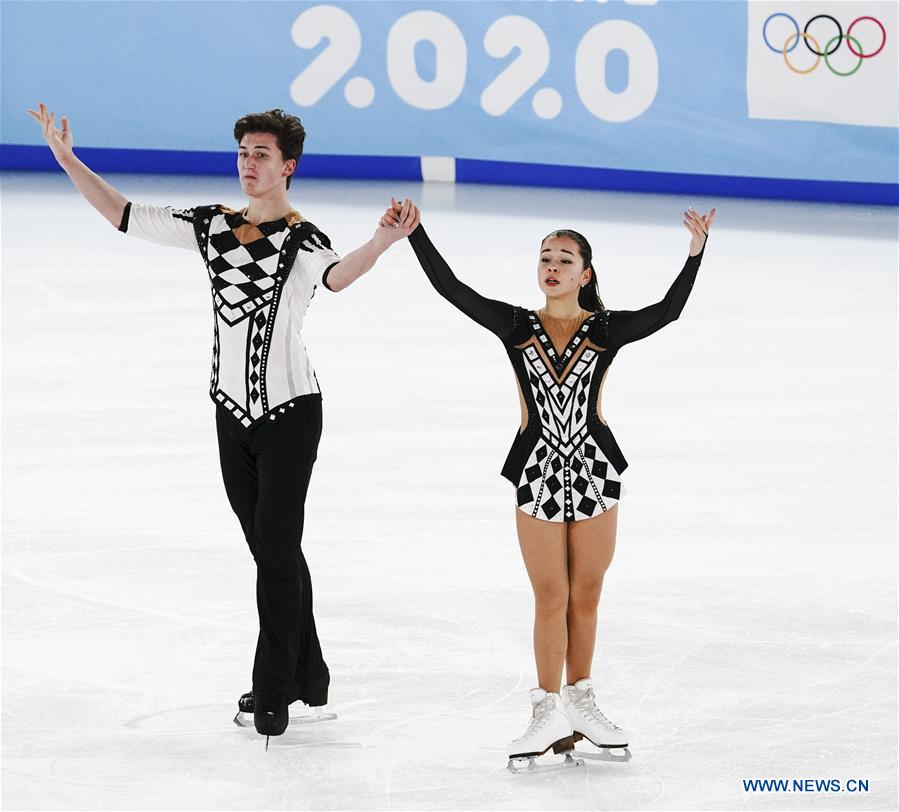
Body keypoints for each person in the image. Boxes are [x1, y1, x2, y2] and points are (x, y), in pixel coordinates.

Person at [27, 102, 421, 743]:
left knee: (273, 547)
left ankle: (273, 693)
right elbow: (123, 215)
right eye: (243, 153)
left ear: (288, 166)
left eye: (261, 155)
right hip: (229, 414)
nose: (248, 164)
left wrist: (381, 241)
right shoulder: (210, 225)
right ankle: (308, 671)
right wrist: (68, 159)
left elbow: (339, 277)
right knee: (273, 549)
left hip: (291, 415)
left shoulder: (303, 239)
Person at [381, 197, 714, 769]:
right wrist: (416, 235)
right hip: (535, 474)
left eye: (564, 259)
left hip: (595, 475)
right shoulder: (516, 325)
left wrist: (695, 252)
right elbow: (453, 290)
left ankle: (582, 701)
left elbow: (668, 311)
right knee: (549, 595)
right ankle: (546, 709)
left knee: (586, 593)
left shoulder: (606, 330)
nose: (552, 266)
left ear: (585, 274)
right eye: (545, 258)